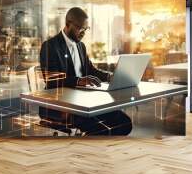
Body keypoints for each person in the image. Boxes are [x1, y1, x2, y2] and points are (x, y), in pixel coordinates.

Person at [39, 7, 132, 136]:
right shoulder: (50, 46)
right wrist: (79, 80)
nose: (83, 33)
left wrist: (110, 76)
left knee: (125, 123)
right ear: (67, 24)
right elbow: (51, 80)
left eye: (86, 29)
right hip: (61, 106)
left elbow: (91, 70)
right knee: (103, 129)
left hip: (83, 101)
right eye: (80, 28)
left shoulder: (80, 46)